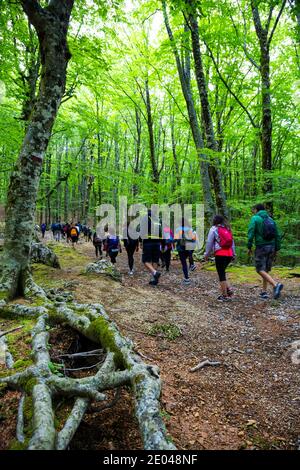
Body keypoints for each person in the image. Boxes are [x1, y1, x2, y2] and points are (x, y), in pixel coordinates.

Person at [247, 203, 283, 299]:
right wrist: (277, 248)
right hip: (272, 246)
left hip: (261, 246)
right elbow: (277, 235)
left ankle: (275, 285)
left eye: (254, 210)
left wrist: (249, 246)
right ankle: (264, 292)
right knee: (266, 269)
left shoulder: (255, 218)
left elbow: (251, 232)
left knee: (260, 269)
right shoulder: (271, 220)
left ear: (256, 210)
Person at [204, 215, 235, 301]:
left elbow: (209, 242)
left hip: (220, 254)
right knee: (222, 272)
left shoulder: (213, 229)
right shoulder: (227, 228)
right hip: (229, 254)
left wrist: (206, 254)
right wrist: (234, 253)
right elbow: (232, 242)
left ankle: (224, 296)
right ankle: (228, 290)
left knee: (221, 274)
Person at [140, 209, 162, 286]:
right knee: (155, 260)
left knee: (145, 260)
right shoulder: (158, 219)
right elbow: (161, 232)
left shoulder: (144, 219)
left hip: (148, 242)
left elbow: (141, 231)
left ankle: (155, 272)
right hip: (157, 242)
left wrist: (140, 241)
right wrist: (163, 243)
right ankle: (154, 279)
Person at [174, 218, 197, 285]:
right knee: (188, 256)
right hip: (189, 247)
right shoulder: (190, 229)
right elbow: (193, 239)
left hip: (180, 248)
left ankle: (187, 279)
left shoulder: (178, 229)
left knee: (184, 263)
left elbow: (175, 239)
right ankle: (191, 264)